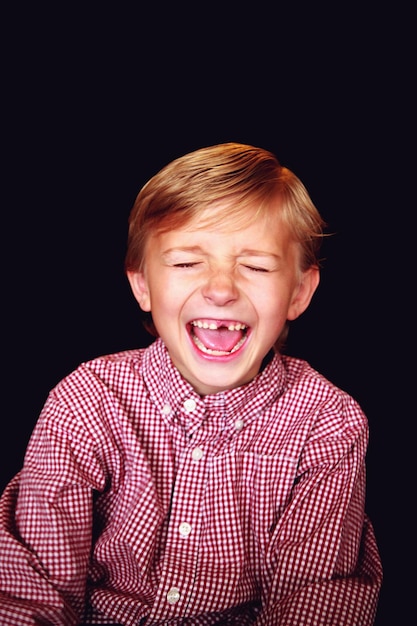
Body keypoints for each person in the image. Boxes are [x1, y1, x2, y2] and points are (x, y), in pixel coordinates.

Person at [0, 142, 382, 625]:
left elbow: (312, 600)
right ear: (142, 286)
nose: (220, 288)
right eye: (186, 263)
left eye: (257, 266)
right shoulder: (87, 401)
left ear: (299, 292)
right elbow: (31, 586)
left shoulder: (329, 425)